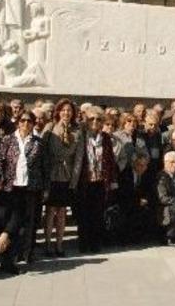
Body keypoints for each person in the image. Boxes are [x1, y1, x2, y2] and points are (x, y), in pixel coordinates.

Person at [0, 110, 46, 264]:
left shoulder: (38, 142)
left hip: (31, 187)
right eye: (23, 121)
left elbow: (44, 166)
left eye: (29, 121)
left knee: (30, 221)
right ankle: (13, 252)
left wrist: (45, 188)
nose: (26, 124)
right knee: (12, 221)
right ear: (18, 123)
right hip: (11, 187)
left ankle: (28, 252)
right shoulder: (8, 139)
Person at [71, 107, 117, 253]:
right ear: (86, 120)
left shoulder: (106, 138)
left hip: (100, 181)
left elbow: (110, 160)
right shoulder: (81, 136)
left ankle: (95, 243)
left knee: (97, 214)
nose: (95, 122)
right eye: (92, 119)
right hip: (84, 181)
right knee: (83, 214)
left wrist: (112, 179)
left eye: (98, 119)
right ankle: (83, 244)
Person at [43, 98, 81, 257]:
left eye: (69, 110)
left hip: (66, 175)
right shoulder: (50, 127)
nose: (66, 113)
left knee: (62, 211)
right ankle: (48, 244)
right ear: (58, 111)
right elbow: (43, 152)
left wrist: (75, 178)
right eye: (63, 110)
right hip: (52, 174)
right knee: (50, 211)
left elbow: (78, 157)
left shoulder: (77, 131)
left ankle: (59, 244)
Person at [116, 155, 156, 244]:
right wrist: (138, 201)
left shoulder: (146, 175)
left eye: (144, 166)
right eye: (140, 165)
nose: (142, 168)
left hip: (141, 202)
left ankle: (141, 237)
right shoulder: (126, 174)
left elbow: (149, 190)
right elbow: (124, 193)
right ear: (134, 164)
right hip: (127, 202)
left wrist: (145, 199)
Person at [156, 152, 175, 247]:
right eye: (172, 162)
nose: (174, 165)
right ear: (165, 163)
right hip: (164, 207)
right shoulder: (161, 177)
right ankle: (169, 237)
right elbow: (162, 198)